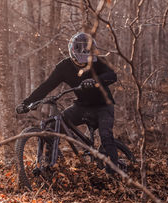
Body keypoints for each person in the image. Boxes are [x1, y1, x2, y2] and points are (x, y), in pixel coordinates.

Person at [16, 32, 118, 173]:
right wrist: (26, 103)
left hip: (103, 107)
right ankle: (49, 165)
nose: (83, 63)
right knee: (51, 129)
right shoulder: (64, 67)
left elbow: (112, 75)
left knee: (106, 136)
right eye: (79, 60)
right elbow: (46, 86)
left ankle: (115, 174)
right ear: (72, 54)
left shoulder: (98, 62)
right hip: (81, 106)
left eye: (86, 60)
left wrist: (95, 81)